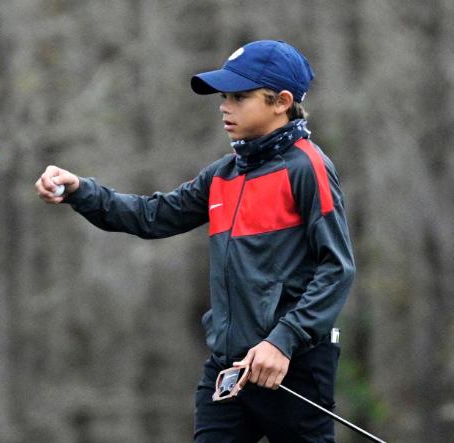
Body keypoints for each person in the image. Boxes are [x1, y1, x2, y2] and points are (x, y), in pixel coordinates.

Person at [35, 40, 355, 442]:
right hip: (228, 367)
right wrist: (80, 190)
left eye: (240, 97)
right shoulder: (223, 175)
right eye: (224, 96)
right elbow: (152, 217)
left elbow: (337, 268)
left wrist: (283, 341)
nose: (225, 106)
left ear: (281, 101)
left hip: (293, 365)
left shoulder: (309, 168)